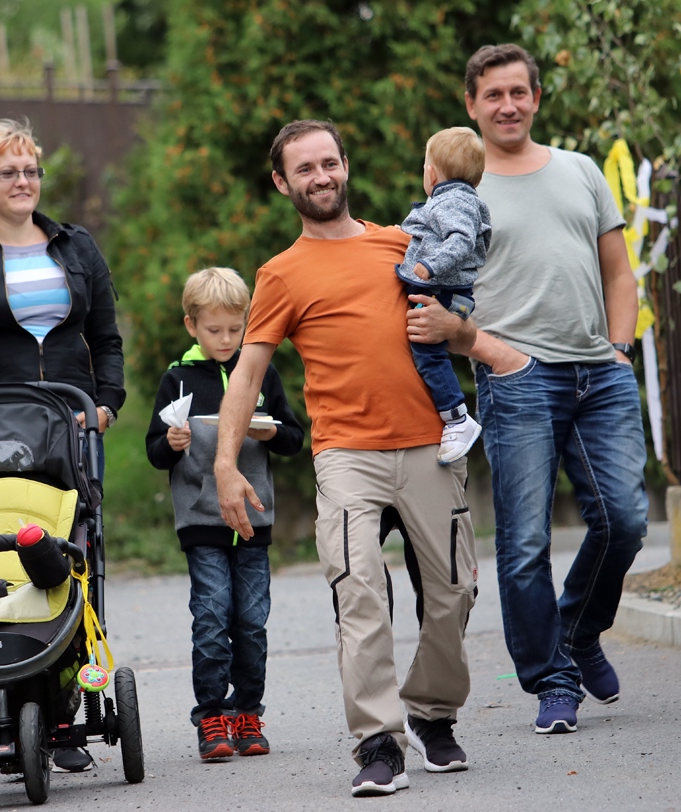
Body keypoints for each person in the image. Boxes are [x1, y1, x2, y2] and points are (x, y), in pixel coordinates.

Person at [214, 120, 479, 797]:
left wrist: (455, 328)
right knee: (358, 591)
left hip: (430, 447)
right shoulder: (281, 273)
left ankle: (432, 712)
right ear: (283, 183)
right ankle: (379, 741)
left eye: (329, 162)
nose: (321, 176)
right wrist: (225, 465)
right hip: (346, 456)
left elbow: (463, 324)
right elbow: (247, 373)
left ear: (346, 166)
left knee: (455, 590)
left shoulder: (404, 244)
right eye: (305, 169)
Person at [462, 44, 648, 734]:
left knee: (625, 520)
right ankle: (553, 679)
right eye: (493, 95)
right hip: (517, 378)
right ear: (472, 105)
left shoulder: (580, 169)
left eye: (519, 92)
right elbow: (435, 293)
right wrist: (487, 352)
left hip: (600, 372)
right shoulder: (462, 190)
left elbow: (619, 273)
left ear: (536, 98)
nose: (508, 105)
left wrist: (620, 350)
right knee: (523, 545)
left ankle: (577, 629)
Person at [0, 118, 124, 771]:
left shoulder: (76, 246)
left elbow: (106, 337)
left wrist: (106, 403)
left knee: (71, 558)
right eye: (8, 172)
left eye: (30, 171)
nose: (22, 182)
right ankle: (0, 699)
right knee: (3, 551)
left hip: (71, 424)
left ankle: (62, 715)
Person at [145, 267, 304, 761]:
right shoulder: (178, 378)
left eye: (236, 329)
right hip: (201, 522)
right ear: (191, 325)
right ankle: (212, 715)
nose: (226, 339)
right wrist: (172, 443)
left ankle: (248, 714)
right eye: (214, 330)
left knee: (251, 623)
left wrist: (268, 431)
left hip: (254, 523)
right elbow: (154, 451)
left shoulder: (261, 372)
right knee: (212, 619)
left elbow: (295, 438)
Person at [394, 126, 490, 464]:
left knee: (428, 355)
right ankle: (455, 416)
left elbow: (460, 240)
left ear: (431, 174)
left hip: (443, 291)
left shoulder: (451, 201)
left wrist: (431, 265)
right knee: (434, 349)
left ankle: (457, 418)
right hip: (460, 297)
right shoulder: (464, 200)